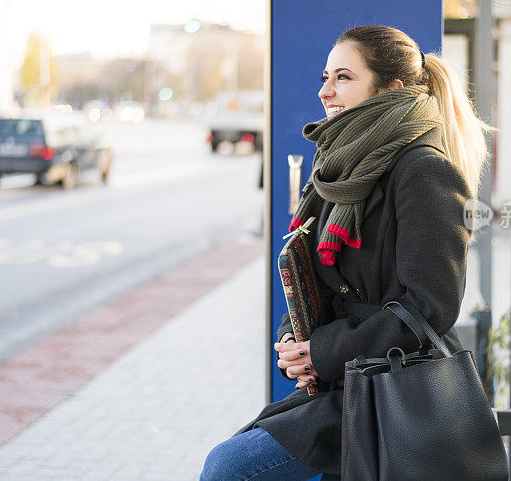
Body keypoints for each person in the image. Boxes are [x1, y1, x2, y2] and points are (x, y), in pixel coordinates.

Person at [200, 25, 493, 480]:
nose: (325, 90)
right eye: (325, 76)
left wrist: (323, 350)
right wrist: (294, 342)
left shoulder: (424, 171)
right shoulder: (344, 166)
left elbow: (431, 308)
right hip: (343, 381)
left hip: (392, 387)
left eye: (343, 77)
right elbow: (317, 274)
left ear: (390, 89)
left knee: (229, 468)